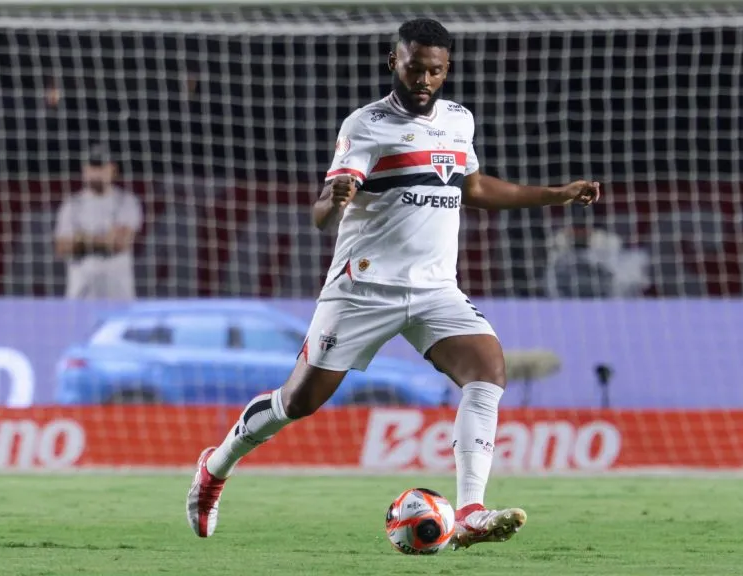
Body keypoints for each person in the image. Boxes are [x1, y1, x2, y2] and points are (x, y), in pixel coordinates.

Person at [186, 18, 600, 549]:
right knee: (297, 402)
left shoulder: (459, 120)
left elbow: (473, 188)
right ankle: (214, 468)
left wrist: (555, 195)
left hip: (435, 290)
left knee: (487, 371)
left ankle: (470, 511)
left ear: (447, 69)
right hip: (363, 289)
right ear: (394, 63)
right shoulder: (366, 125)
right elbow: (322, 212)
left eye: (435, 70)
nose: (424, 79)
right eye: (414, 68)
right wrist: (333, 201)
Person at [54, 143, 142, 299]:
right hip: (81, 294)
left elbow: (120, 243)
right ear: (84, 170)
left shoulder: (126, 201)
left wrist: (81, 239)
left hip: (118, 294)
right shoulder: (72, 204)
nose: (96, 172)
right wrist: (104, 240)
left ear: (112, 170)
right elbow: (62, 246)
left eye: (101, 166)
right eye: (92, 166)